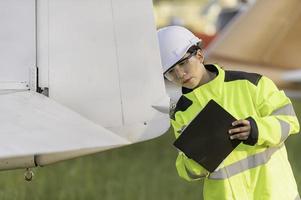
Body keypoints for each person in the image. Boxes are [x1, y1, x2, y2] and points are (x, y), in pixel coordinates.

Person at [157, 25, 300, 200]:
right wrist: (198, 158)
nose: (180, 74)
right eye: (170, 72)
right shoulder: (182, 112)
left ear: (200, 55)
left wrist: (256, 129)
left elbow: (290, 121)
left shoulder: (251, 84)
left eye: (183, 63)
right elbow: (186, 169)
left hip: (274, 193)